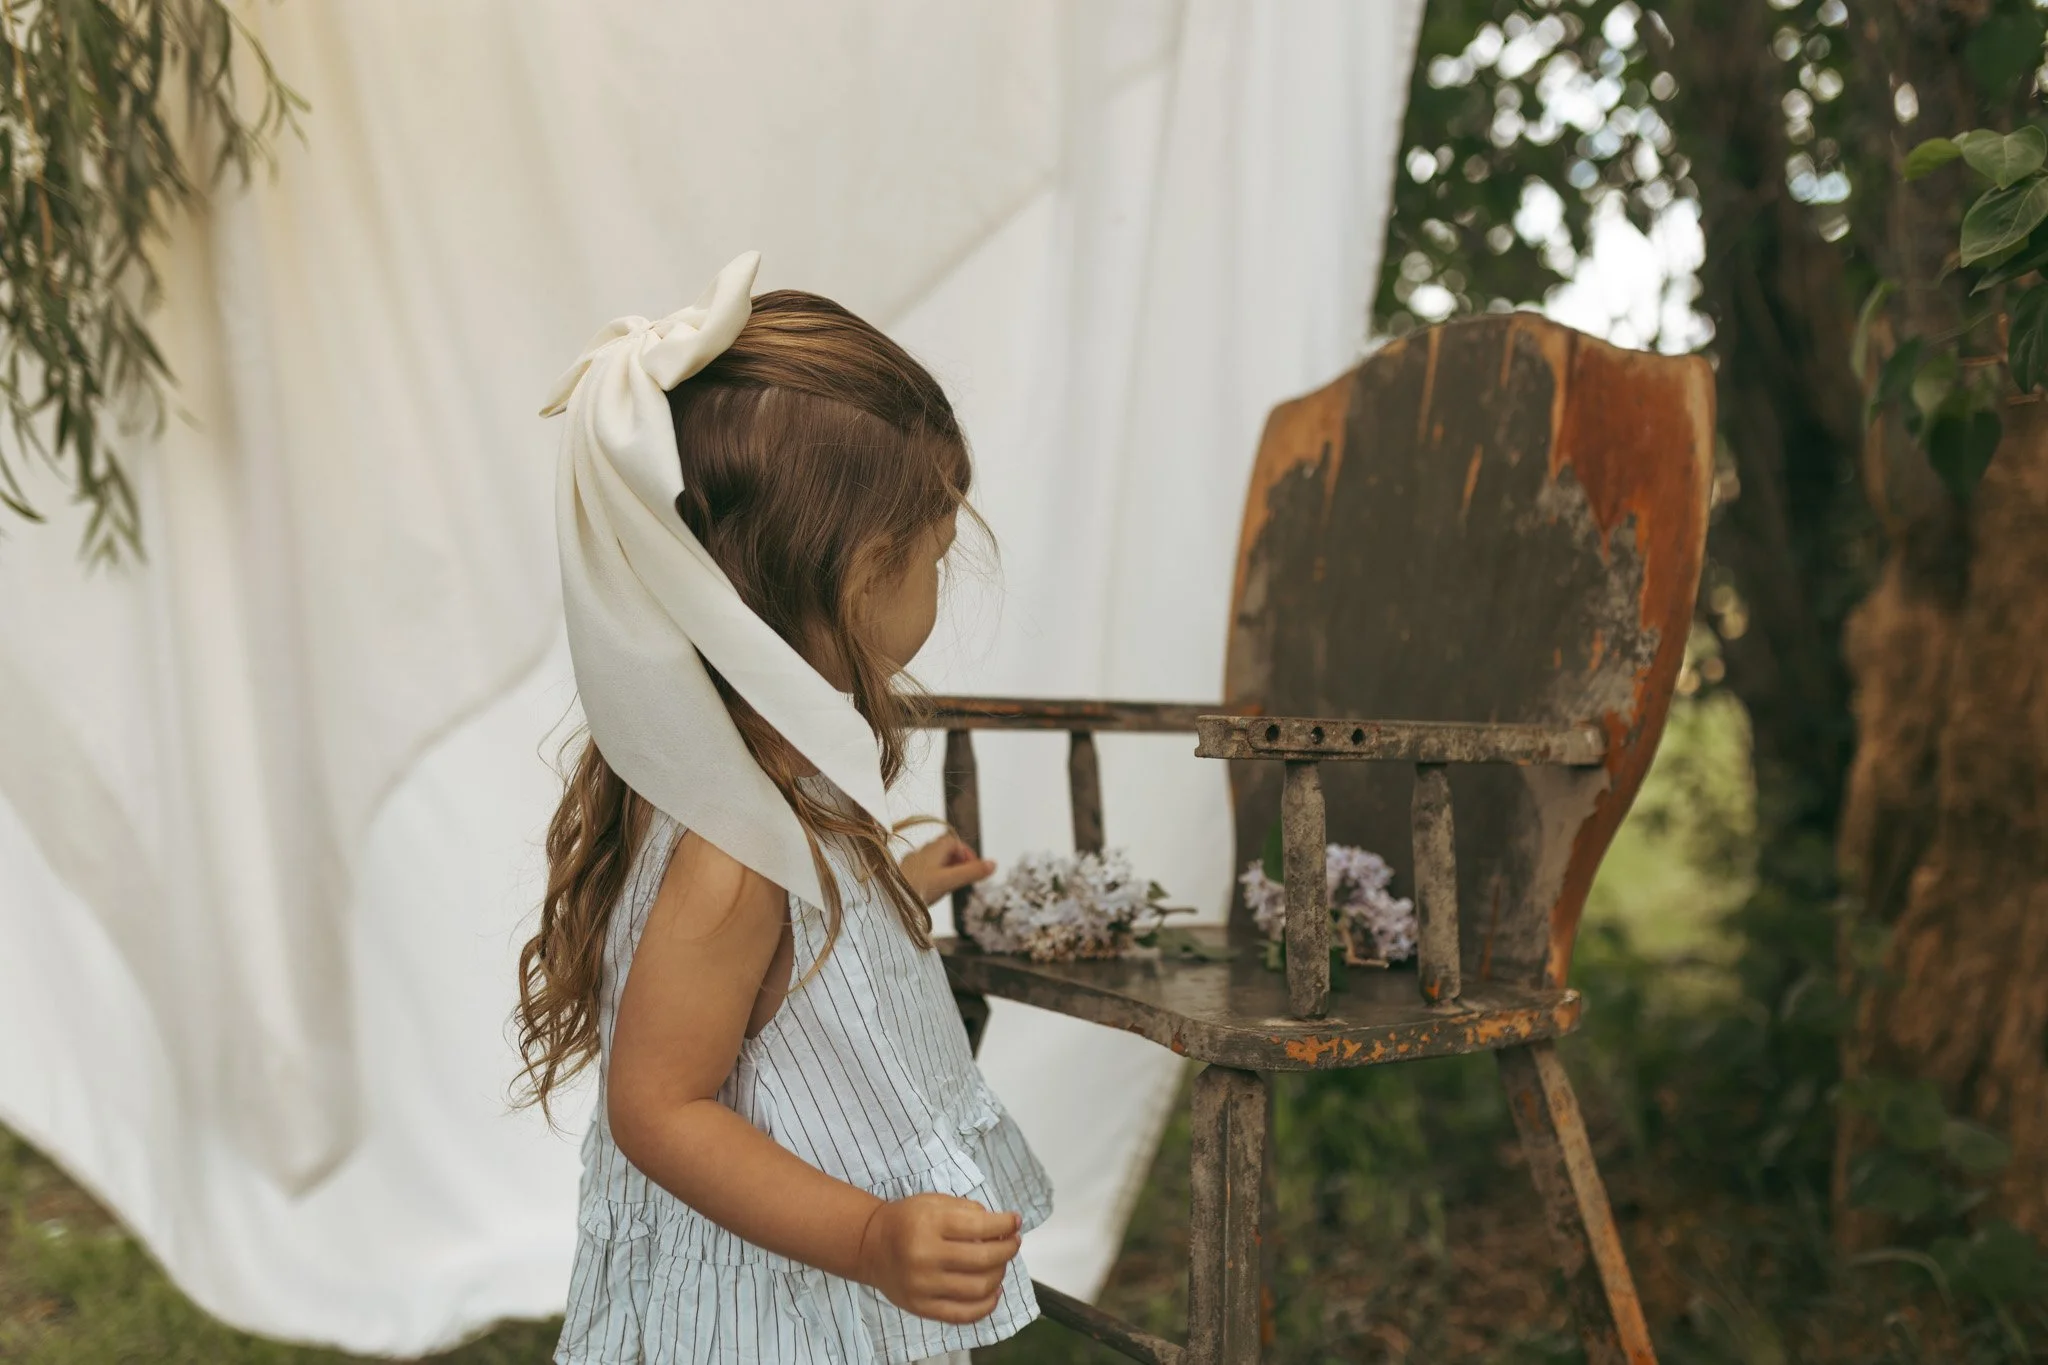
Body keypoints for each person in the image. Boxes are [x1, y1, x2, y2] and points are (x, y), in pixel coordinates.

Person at [514, 253, 1051, 1364]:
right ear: (850, 576)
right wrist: (866, 1235)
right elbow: (658, 1106)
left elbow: (766, 987)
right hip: (764, 1320)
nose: (941, 587)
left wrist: (888, 892)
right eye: (934, 556)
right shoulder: (731, 846)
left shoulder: (761, 787)